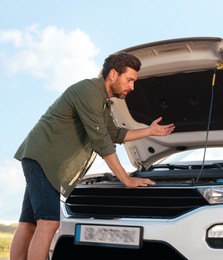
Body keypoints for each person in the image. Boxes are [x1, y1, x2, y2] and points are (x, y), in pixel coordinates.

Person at [10, 52, 175, 260]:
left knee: (28, 223)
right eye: (130, 80)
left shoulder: (103, 101)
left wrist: (149, 131)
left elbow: (114, 134)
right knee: (48, 222)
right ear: (113, 74)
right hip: (45, 159)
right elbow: (101, 142)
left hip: (40, 158)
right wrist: (126, 179)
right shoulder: (89, 92)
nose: (132, 87)